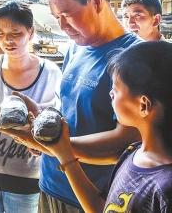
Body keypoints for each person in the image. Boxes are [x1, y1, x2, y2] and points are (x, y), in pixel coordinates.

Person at [0, 0, 142, 212]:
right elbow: (68, 108)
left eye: (67, 14)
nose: (62, 25)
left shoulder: (135, 57)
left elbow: (126, 143)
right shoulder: (75, 48)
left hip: (91, 196)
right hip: (51, 184)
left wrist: (55, 147)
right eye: (56, 18)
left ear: (96, 1)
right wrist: (41, 119)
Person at [29, 41, 172, 212]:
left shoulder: (165, 188)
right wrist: (64, 152)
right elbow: (101, 208)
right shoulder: (131, 153)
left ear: (143, 105)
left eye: (116, 89)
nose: (110, 94)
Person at [0, 0, 62, 213]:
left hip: (26, 175)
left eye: (15, 33)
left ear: (31, 32)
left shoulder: (50, 73)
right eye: (0, 34)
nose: (7, 40)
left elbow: (54, 124)